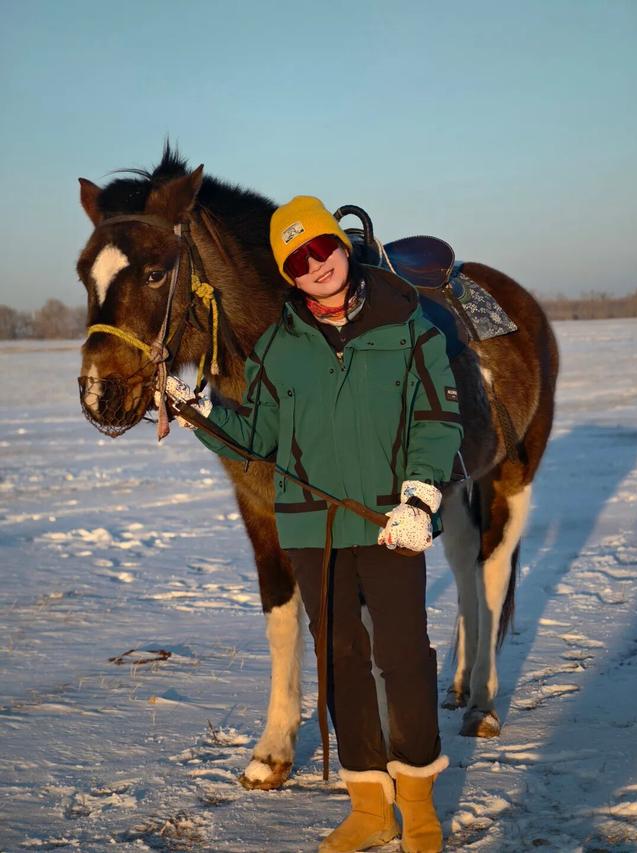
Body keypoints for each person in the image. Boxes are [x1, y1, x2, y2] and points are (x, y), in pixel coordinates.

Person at [166, 196, 462, 853]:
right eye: (296, 259)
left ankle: (417, 805)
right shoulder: (279, 347)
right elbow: (259, 438)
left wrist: (419, 499)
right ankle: (368, 806)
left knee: (406, 661)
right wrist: (202, 411)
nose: (315, 264)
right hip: (313, 534)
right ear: (288, 273)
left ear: (339, 247)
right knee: (341, 665)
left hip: (389, 523)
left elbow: (437, 419)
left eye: (321, 248)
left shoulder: (407, 324)